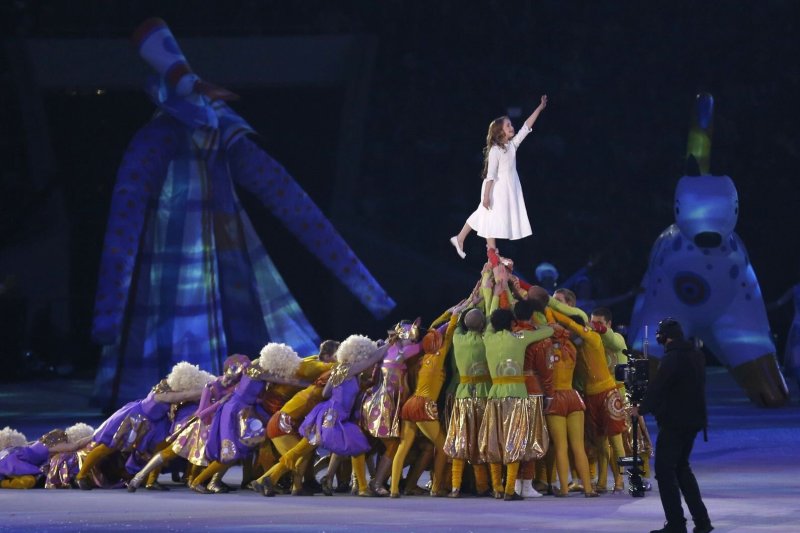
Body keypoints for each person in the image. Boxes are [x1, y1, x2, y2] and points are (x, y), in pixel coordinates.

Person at [631, 318, 713, 533]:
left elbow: (658, 388)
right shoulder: (695, 354)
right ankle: (702, 522)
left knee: (665, 471)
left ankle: (676, 524)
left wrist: (640, 409)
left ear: (663, 337)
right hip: (694, 421)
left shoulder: (672, 358)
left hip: (675, 422)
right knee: (682, 468)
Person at [450, 95, 548, 259]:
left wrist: (539, 108)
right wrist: (487, 196)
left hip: (506, 188)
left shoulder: (512, 145)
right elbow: (491, 175)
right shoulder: (495, 150)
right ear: (499, 131)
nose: (512, 127)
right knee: (489, 217)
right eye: (508, 125)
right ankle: (490, 252)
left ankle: (461, 239)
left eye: (511, 124)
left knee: (483, 215)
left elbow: (526, 127)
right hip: (495, 188)